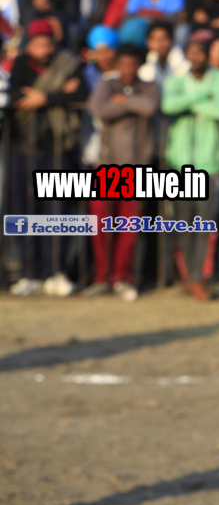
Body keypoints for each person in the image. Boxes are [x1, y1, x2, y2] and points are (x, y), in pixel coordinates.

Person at [6, 19, 88, 297]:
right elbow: (14, 95)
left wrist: (45, 98)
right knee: (23, 211)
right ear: (28, 45)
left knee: (57, 212)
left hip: (57, 147)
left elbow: (81, 92)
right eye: (38, 44)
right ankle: (28, 272)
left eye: (48, 44)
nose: (44, 50)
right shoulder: (20, 65)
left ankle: (55, 271)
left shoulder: (68, 63)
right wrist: (60, 93)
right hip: (22, 146)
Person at [84, 44, 159, 297]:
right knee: (101, 224)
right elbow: (98, 109)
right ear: (116, 65)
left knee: (129, 228)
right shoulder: (106, 85)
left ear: (140, 65)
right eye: (123, 63)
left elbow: (149, 107)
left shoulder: (149, 86)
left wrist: (124, 101)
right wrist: (131, 106)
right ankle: (102, 277)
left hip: (136, 167)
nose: (128, 69)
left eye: (133, 64)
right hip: (106, 165)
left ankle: (122, 276)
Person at [161, 29, 219, 288]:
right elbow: (168, 106)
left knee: (205, 223)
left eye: (200, 53)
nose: (195, 57)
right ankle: (187, 276)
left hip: (208, 163)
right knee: (183, 223)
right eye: (191, 52)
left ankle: (200, 277)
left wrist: (187, 104)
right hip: (180, 163)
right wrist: (201, 97)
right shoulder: (176, 81)